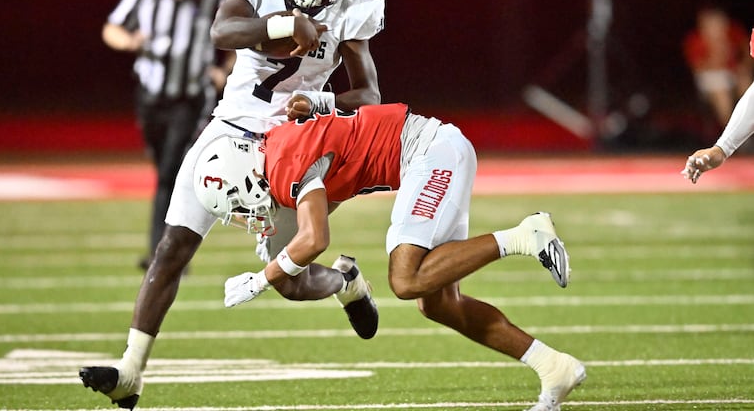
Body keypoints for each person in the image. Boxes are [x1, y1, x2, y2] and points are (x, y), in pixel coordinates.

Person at [79, 0, 385, 409]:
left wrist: (320, 102)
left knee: (290, 282)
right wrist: (279, 25)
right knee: (172, 246)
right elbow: (222, 31)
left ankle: (346, 282)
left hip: (294, 145)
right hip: (228, 128)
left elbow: (369, 95)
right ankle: (130, 371)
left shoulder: (354, 7)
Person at [198, 92, 586, 411]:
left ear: (244, 176)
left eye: (238, 204)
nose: (246, 214)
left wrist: (261, 280)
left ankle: (523, 236)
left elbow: (315, 238)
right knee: (439, 304)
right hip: (432, 152)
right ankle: (553, 368)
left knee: (405, 279)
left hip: (430, 153)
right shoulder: (278, 149)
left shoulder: (285, 164)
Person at [102, 0, 235, 271]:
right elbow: (111, 28)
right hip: (150, 98)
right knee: (163, 167)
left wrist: (223, 71)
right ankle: (166, 253)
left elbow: (239, 41)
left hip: (189, 101)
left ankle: (163, 255)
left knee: (170, 175)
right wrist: (128, 41)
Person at [683, 5, 752, 128]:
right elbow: (698, 67)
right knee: (722, 94)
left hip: (731, 73)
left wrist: (743, 65)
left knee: (746, 82)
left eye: (720, 23)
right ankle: (732, 132)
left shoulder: (732, 33)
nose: (717, 28)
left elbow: (746, 48)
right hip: (709, 76)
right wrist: (716, 53)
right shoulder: (695, 40)